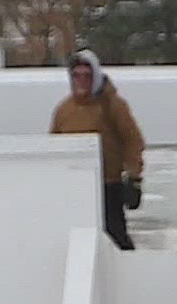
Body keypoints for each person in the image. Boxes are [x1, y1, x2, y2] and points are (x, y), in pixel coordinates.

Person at [50, 49, 145, 251]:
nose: (81, 80)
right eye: (76, 75)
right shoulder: (63, 110)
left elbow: (133, 141)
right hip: (75, 187)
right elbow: (54, 147)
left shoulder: (113, 105)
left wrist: (134, 178)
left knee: (116, 237)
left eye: (87, 75)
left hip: (108, 185)